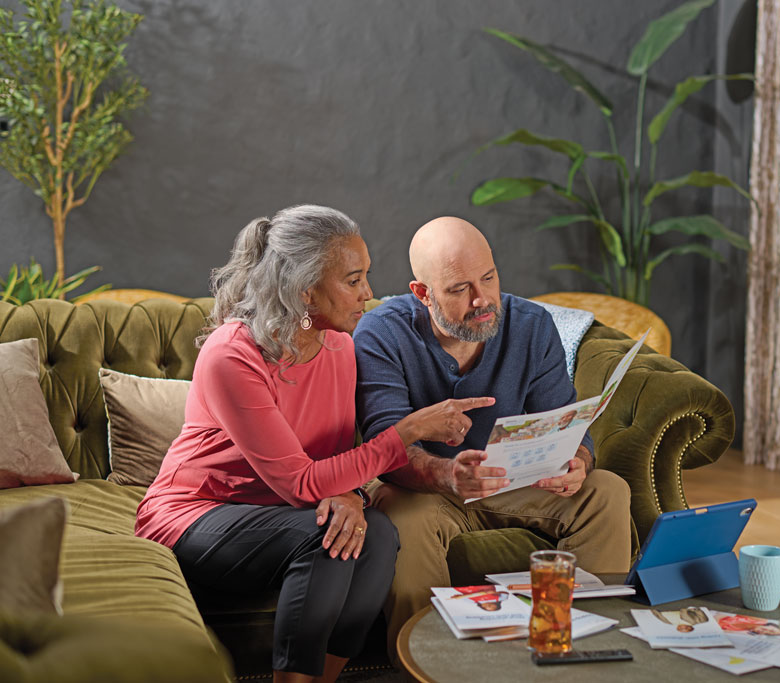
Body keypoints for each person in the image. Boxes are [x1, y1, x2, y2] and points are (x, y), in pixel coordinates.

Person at [135, 205, 491, 683]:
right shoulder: (232, 354)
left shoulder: (340, 348)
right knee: (324, 536)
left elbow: (336, 460)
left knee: (380, 533)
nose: (368, 293)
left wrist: (348, 496)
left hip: (285, 511)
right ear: (304, 289)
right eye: (353, 280)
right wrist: (405, 433)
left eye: (367, 276)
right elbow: (301, 482)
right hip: (195, 514)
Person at [353, 215, 632, 650]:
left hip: (508, 477)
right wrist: (448, 474)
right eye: (460, 288)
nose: (482, 299)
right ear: (422, 293)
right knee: (403, 522)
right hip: (421, 489)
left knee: (605, 490)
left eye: (488, 277)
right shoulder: (381, 333)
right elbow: (385, 447)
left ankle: (584, 646)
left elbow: (564, 421)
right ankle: (431, 663)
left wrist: (579, 460)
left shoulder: (532, 324)